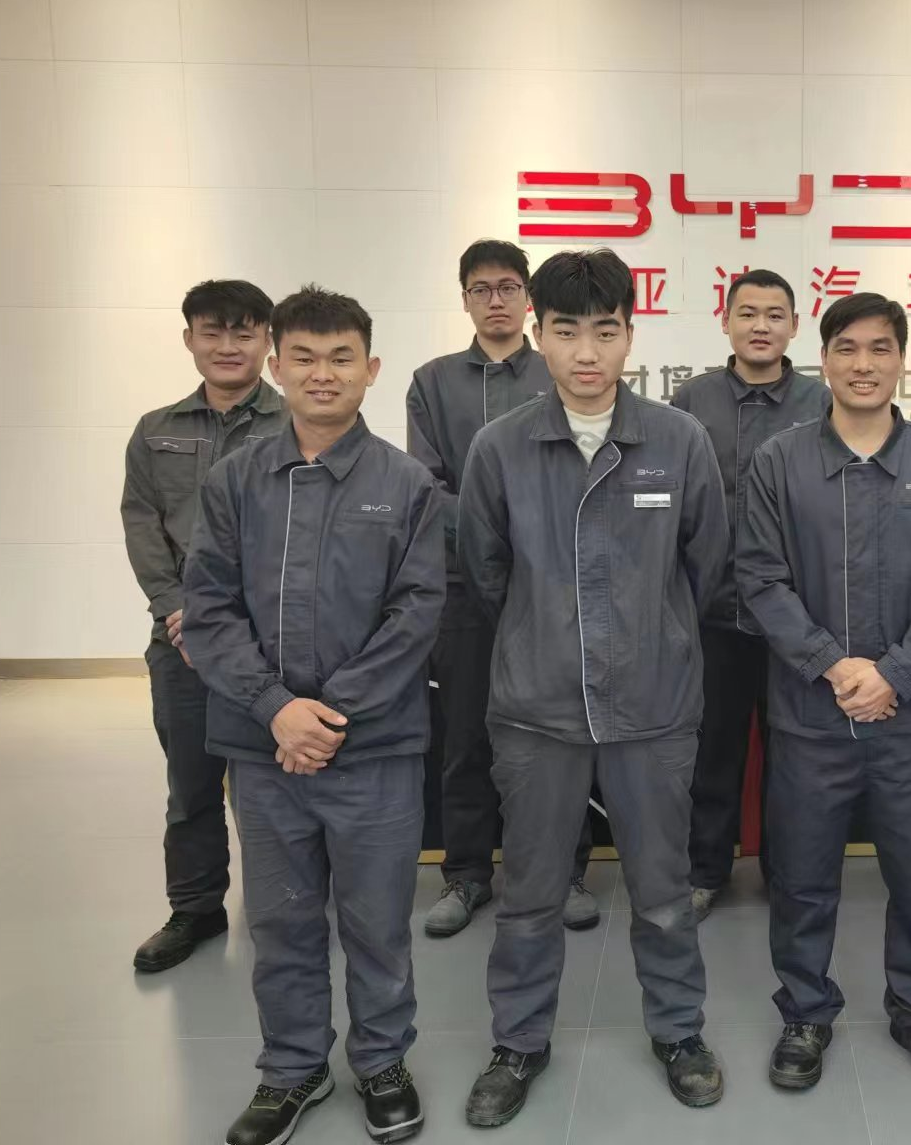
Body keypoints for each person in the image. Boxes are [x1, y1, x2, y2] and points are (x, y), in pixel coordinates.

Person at [459, 249, 729, 1127]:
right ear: (537, 334)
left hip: (654, 707)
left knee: (662, 891)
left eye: (605, 331)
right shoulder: (500, 448)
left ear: (629, 336)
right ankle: (518, 1042)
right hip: (536, 710)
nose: (586, 351)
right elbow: (485, 572)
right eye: (567, 331)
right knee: (530, 892)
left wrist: (657, 640)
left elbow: (705, 566)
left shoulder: (679, 441)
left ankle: (679, 1032)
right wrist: (542, 640)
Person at [183, 286, 445, 1145]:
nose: (321, 374)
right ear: (276, 365)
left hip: (374, 750)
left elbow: (417, 613)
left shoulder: (406, 484)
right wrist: (276, 711)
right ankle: (292, 1069)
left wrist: (326, 716)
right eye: (303, 357)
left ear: (371, 369)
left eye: (340, 358)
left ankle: (382, 1063)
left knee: (377, 922)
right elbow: (209, 611)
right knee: (282, 920)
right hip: (264, 753)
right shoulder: (235, 481)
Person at [740, 293, 911, 1092]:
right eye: (847, 348)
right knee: (803, 878)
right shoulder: (779, 462)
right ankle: (806, 1012)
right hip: (813, 716)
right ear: (825, 360)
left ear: (902, 360)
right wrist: (835, 667)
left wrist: (894, 674)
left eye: (881, 349)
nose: (864, 364)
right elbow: (761, 579)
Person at [405, 239, 599, 939]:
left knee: (561, 736)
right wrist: (494, 531)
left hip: (555, 589)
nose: (496, 300)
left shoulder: (558, 369)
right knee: (465, 737)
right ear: (464, 298)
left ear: (530, 301)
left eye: (509, 287)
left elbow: (581, 475)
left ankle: (566, 870)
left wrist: (537, 546)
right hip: (463, 588)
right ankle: (466, 873)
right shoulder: (432, 383)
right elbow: (428, 485)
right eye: (481, 288)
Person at [121, 278, 284, 974]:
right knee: (191, 786)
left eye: (244, 332)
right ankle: (195, 908)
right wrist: (175, 608)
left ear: (267, 341)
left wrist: (234, 624)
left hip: (268, 643)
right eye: (212, 332)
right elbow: (141, 523)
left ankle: (285, 906)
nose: (227, 345)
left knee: (274, 787)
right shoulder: (155, 430)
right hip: (180, 643)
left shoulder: (295, 423)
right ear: (189, 338)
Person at [670, 269, 828, 921]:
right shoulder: (691, 399)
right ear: (726, 321)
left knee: (795, 756)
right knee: (712, 749)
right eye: (748, 313)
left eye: (774, 314)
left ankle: (788, 874)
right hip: (711, 610)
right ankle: (705, 870)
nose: (760, 326)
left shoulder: (821, 401)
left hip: (798, 615)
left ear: (795, 325)